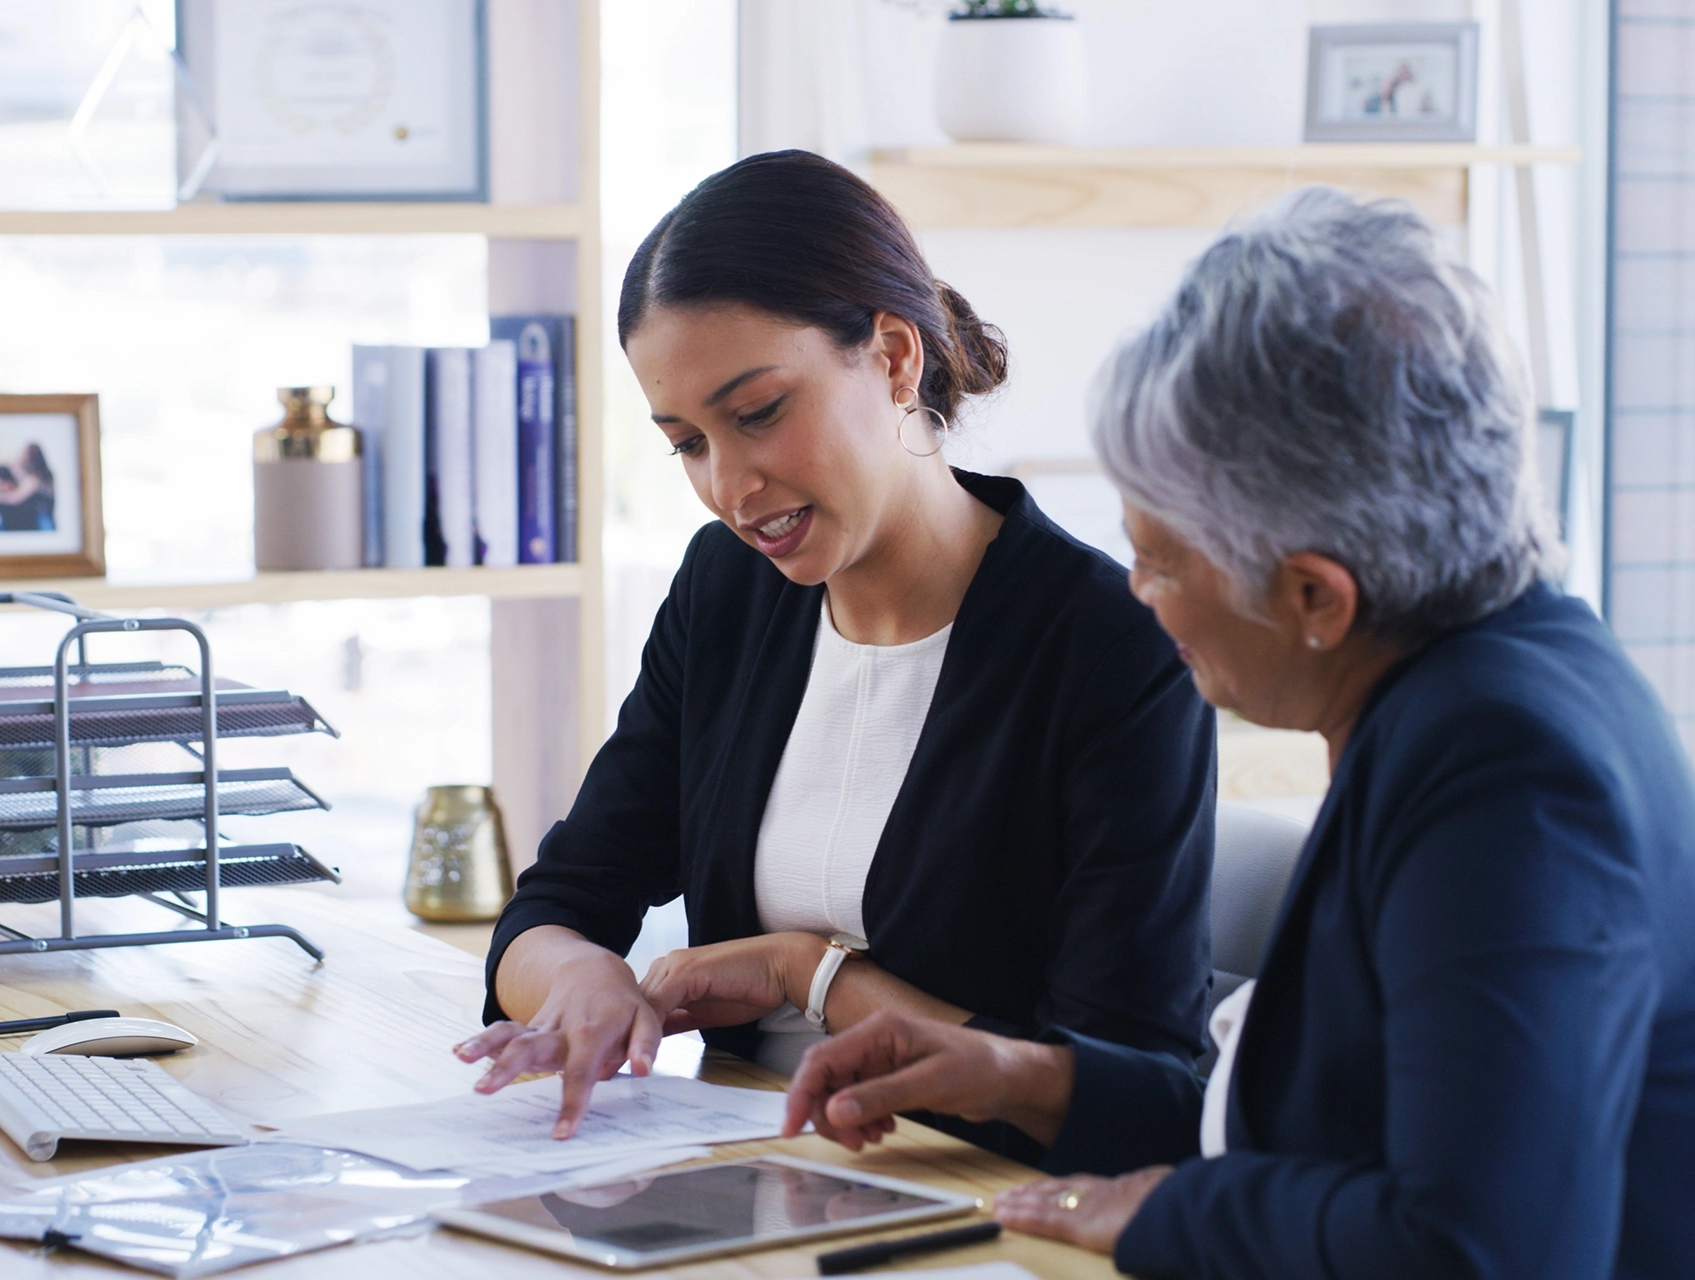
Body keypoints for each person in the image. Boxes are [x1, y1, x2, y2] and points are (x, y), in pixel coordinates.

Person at [780, 187, 1695, 1279]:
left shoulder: (1508, 774)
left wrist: (1169, 1213)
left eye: (1161, 556)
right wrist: (1017, 1074)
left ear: (1316, 596)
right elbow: (1335, 1134)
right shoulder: (1504, 679)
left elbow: (1477, 1248)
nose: (1138, 591)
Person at [455, 149, 1218, 1148]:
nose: (730, 486)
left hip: (976, 1201)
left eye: (759, 413)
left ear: (896, 357)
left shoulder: (1113, 645)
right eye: (687, 442)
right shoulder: (725, 591)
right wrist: (581, 978)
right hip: (741, 1168)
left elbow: (1127, 1089)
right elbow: (558, 903)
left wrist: (809, 974)